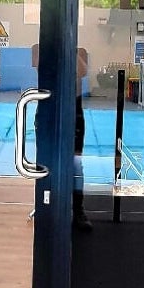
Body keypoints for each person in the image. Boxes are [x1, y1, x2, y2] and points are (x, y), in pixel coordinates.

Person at [32, 43, 92, 231]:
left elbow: (82, 72)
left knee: (75, 163)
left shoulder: (79, 52)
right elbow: (39, 67)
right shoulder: (40, 48)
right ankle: (46, 205)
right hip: (48, 111)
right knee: (45, 161)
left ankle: (78, 209)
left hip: (74, 113)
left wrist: (71, 51)